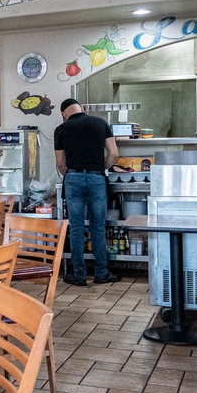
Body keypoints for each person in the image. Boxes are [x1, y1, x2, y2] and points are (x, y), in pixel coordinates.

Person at [54, 98, 121, 286]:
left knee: (76, 228)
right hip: (97, 178)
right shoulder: (101, 123)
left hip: (73, 178)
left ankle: (79, 274)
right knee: (98, 227)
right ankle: (102, 273)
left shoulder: (61, 129)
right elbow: (114, 154)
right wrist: (101, 168)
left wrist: (72, 175)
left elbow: (60, 163)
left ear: (63, 114)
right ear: (81, 109)